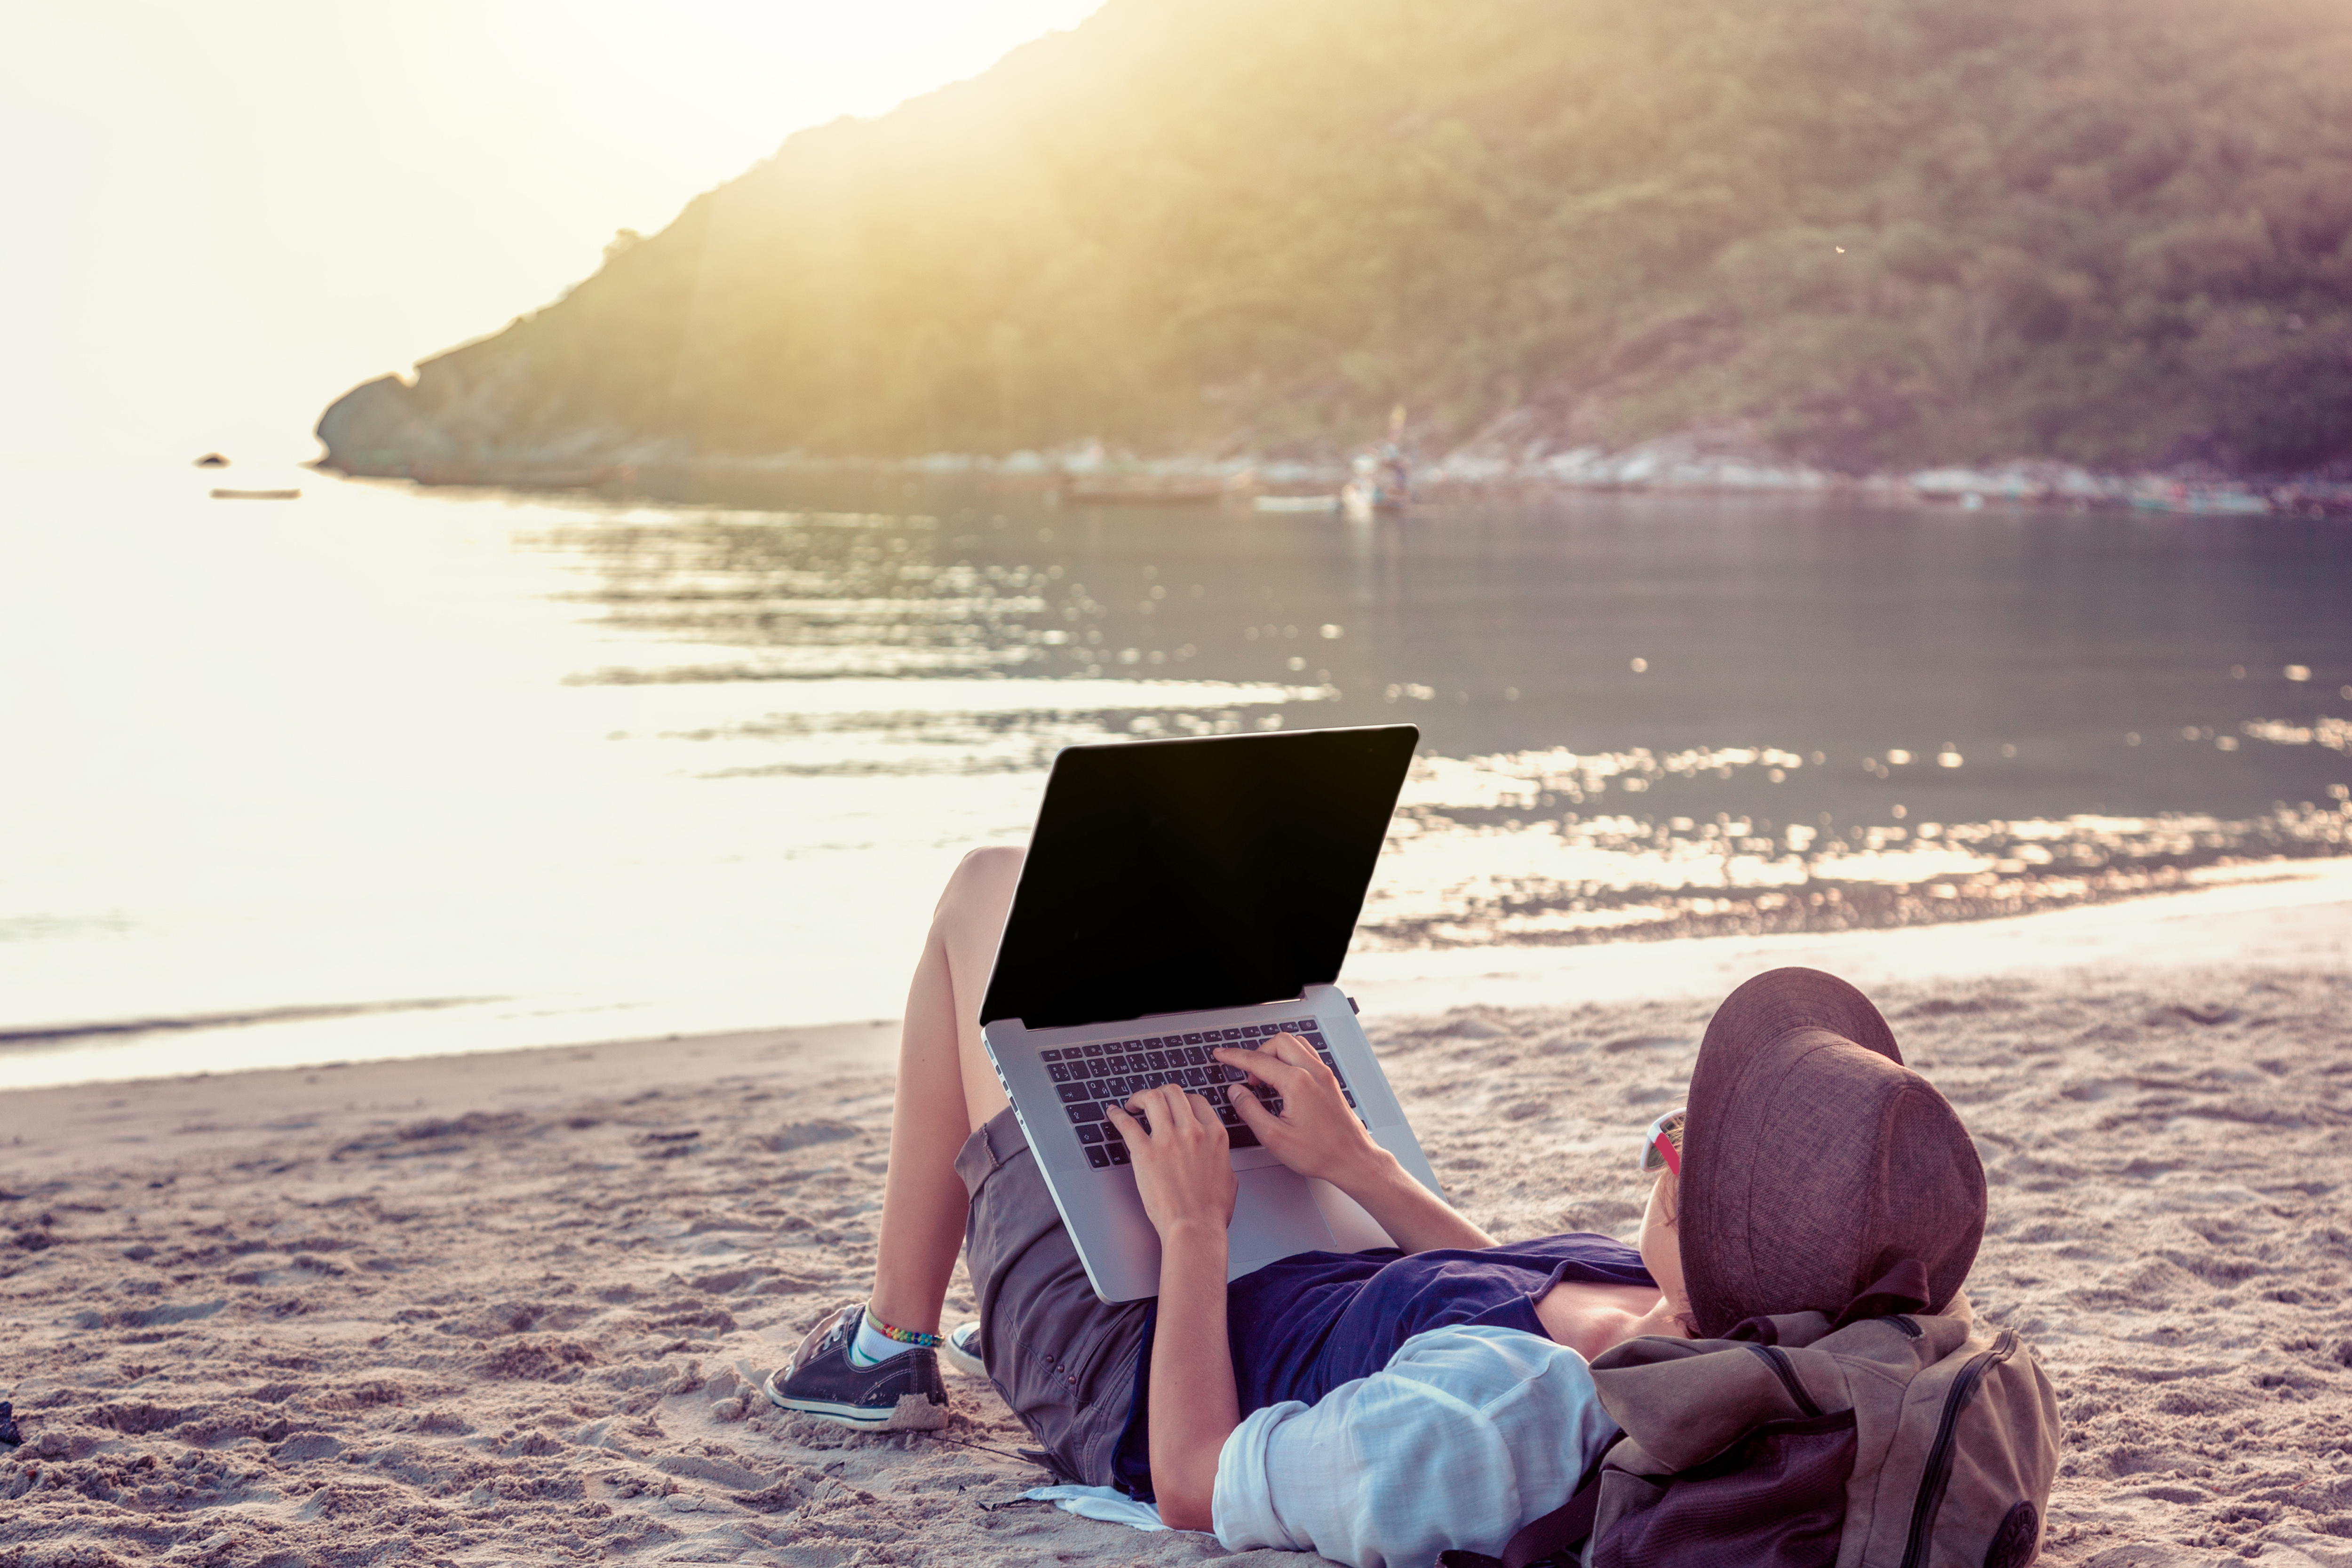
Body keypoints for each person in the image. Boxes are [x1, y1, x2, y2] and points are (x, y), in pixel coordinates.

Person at [767, 847, 1988, 1566]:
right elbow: (1492, 1293)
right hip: (1313, 1287)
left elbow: (1197, 1482)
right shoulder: (1711, 1325)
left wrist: (1193, 1227)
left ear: (1718, 1224)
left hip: (1137, 1363)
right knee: (1184, 979)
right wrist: (1352, 1164)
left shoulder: (1479, 1421)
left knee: (986, 902)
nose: (1661, 1153)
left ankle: (888, 1348)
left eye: (1679, 1143)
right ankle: (907, 1329)